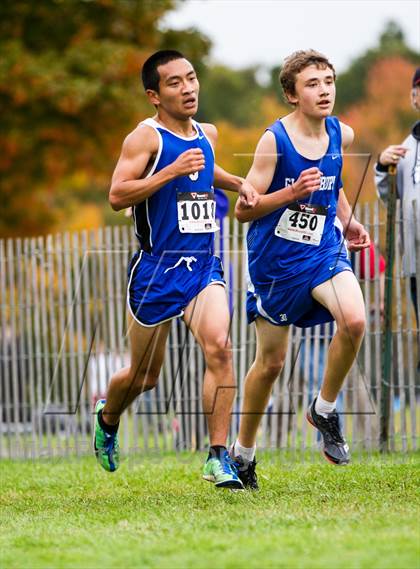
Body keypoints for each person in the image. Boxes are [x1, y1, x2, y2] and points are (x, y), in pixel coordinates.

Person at [93, 50, 259, 490]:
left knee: (220, 346)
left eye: (191, 78)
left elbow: (203, 172)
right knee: (145, 376)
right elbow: (117, 194)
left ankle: (217, 457)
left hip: (203, 266)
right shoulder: (144, 139)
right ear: (154, 94)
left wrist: (241, 182)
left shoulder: (207, 132)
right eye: (175, 83)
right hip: (156, 270)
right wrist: (168, 172)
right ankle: (108, 418)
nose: (188, 88)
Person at [231, 50, 370, 489]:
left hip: (323, 251)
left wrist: (346, 219)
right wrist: (290, 192)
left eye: (328, 80)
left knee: (354, 320)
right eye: (312, 83)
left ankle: (324, 409)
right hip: (274, 264)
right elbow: (242, 210)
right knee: (271, 363)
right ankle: (244, 453)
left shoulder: (340, 133)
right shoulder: (274, 141)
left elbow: (335, 181)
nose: (324, 89)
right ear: (292, 95)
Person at [375, 67, 420, 326]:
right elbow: (391, 200)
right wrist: (383, 166)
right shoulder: (406, 149)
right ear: (414, 98)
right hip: (416, 258)